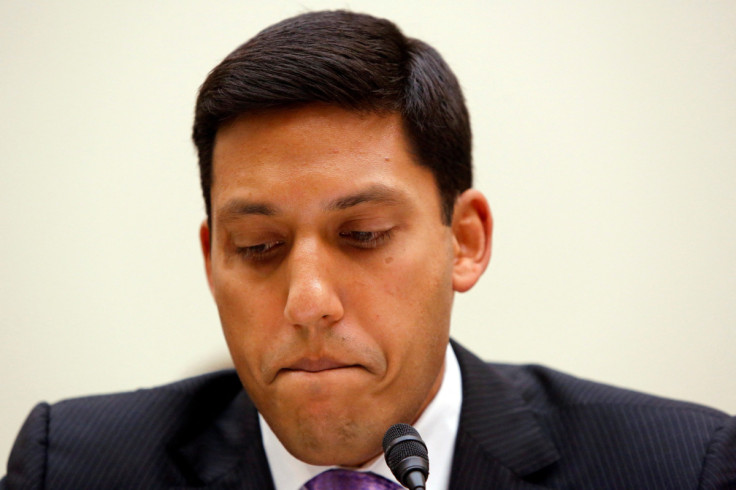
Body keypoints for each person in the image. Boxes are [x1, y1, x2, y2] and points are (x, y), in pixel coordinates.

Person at [2, 10, 735, 490]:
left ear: (467, 242)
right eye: (258, 246)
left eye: (363, 236)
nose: (309, 302)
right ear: (210, 260)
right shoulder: (69, 469)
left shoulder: (679, 469)